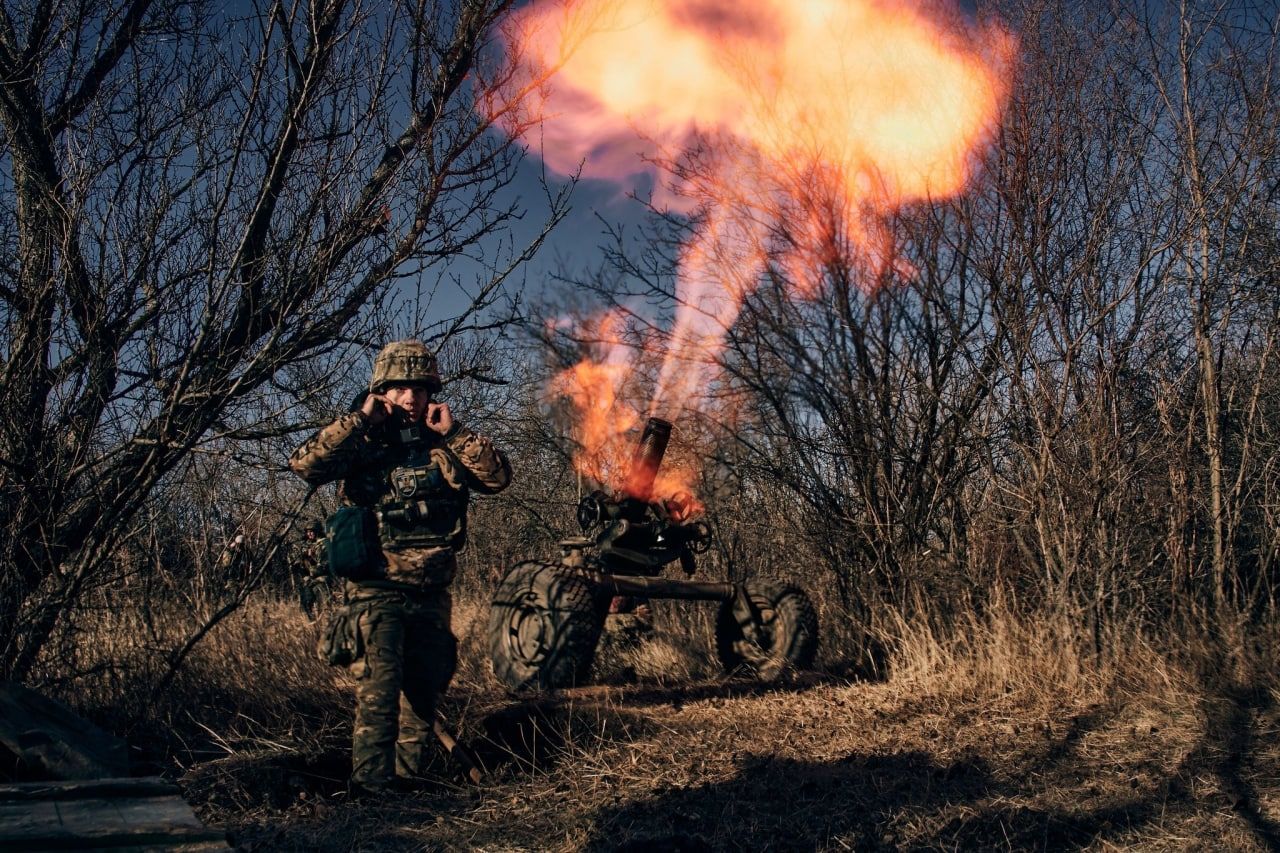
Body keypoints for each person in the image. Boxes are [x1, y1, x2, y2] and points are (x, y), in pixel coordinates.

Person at [288, 340, 512, 796]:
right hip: (376, 591)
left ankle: (408, 786)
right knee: (379, 694)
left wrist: (456, 433)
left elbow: (497, 478)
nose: (410, 398)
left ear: (432, 393)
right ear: (381, 393)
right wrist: (358, 421)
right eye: (399, 389)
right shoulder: (361, 442)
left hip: (431, 592)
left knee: (423, 695)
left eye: (419, 388)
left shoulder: (443, 443)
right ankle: (371, 790)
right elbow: (305, 464)